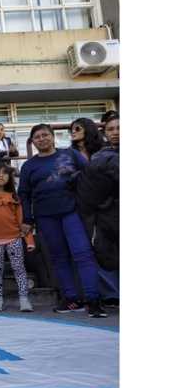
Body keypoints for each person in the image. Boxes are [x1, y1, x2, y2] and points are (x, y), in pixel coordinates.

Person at [18, 124, 107, 318]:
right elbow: (24, 195)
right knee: (59, 258)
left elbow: (90, 176)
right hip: (45, 216)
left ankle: (94, 300)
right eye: (37, 137)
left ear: (53, 137)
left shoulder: (69, 154)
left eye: (45, 135)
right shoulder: (28, 166)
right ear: (33, 142)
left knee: (83, 254)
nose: (42, 139)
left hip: (72, 212)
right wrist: (27, 218)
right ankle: (71, 298)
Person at [0, 163, 35, 312]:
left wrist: (29, 240)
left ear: (10, 177)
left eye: (4, 173)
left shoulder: (14, 197)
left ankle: (24, 298)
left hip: (14, 238)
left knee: (19, 268)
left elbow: (22, 221)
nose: (1, 175)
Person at [77, 111, 119, 307]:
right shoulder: (101, 156)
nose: (116, 132)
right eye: (111, 129)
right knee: (106, 253)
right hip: (108, 212)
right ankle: (113, 295)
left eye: (119, 128)